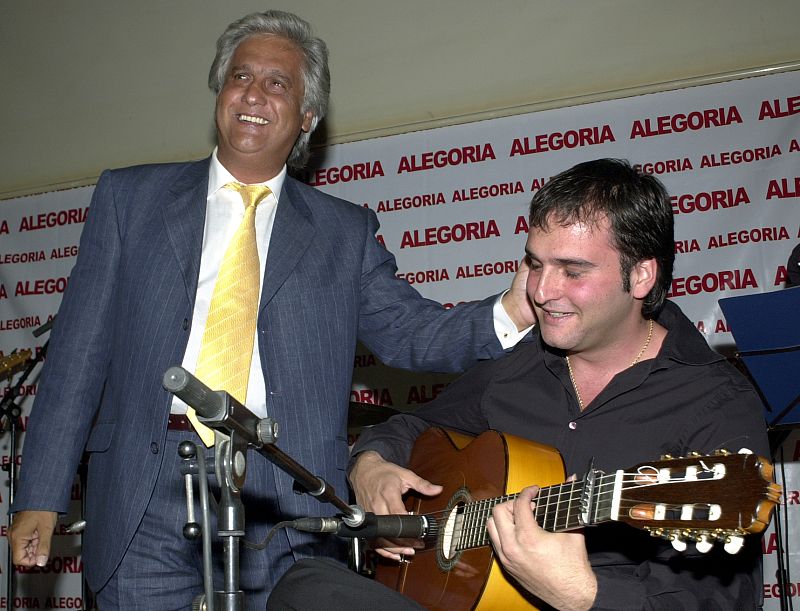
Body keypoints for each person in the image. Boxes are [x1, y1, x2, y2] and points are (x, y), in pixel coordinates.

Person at [7, 10, 534, 610]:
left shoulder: (344, 232)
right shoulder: (130, 199)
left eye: (277, 83)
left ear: (307, 117)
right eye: (240, 77)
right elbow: (77, 356)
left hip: (286, 504)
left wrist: (511, 311)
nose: (253, 94)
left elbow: (409, 333)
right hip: (143, 493)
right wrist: (41, 495)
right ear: (220, 93)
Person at [268, 158, 771, 610]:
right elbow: (415, 424)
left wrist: (585, 594)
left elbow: (722, 600)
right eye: (535, 263)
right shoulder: (519, 365)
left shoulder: (715, 402)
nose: (542, 290)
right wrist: (372, 464)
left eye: (572, 271)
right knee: (305, 584)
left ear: (640, 277)